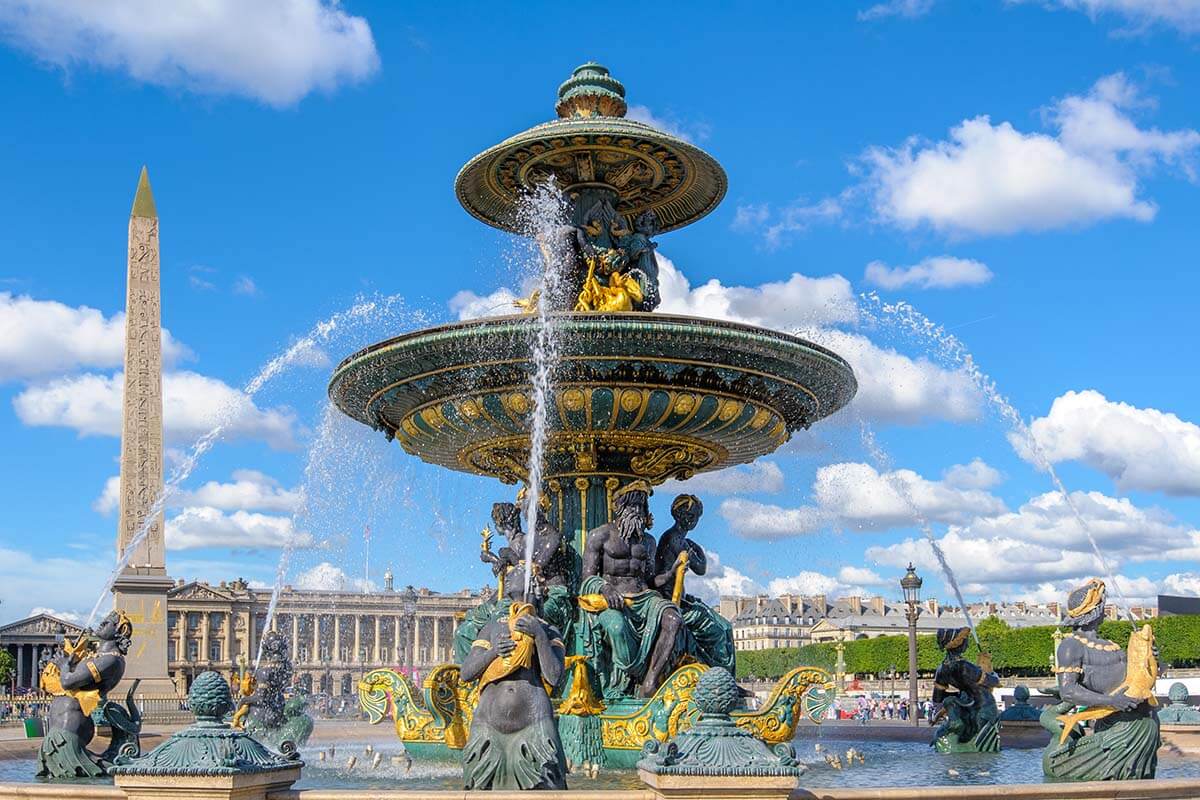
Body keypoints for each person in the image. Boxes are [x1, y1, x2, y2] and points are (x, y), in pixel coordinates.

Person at [580, 481, 685, 698]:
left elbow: (650, 579)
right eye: (631, 505)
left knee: (673, 619)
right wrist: (605, 588)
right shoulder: (600, 536)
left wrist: (672, 572)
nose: (636, 511)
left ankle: (650, 683)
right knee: (617, 628)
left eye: (641, 506)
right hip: (612, 600)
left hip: (645, 598)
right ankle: (627, 678)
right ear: (618, 506)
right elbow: (587, 577)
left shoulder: (648, 541)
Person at [460, 599, 567, 790]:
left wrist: (540, 636)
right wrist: (494, 652)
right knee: (478, 788)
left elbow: (555, 677)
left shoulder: (549, 630)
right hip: (488, 728)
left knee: (548, 787)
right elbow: (467, 673)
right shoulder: (491, 628)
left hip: (535, 727)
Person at [653, 495, 735, 671]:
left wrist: (693, 547)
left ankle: (721, 675)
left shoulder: (678, 539)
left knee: (725, 627)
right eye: (689, 515)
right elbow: (700, 568)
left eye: (695, 516)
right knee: (720, 630)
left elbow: (700, 568)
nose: (692, 520)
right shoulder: (674, 538)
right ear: (677, 515)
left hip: (681, 600)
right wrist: (695, 549)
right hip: (671, 601)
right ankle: (720, 675)